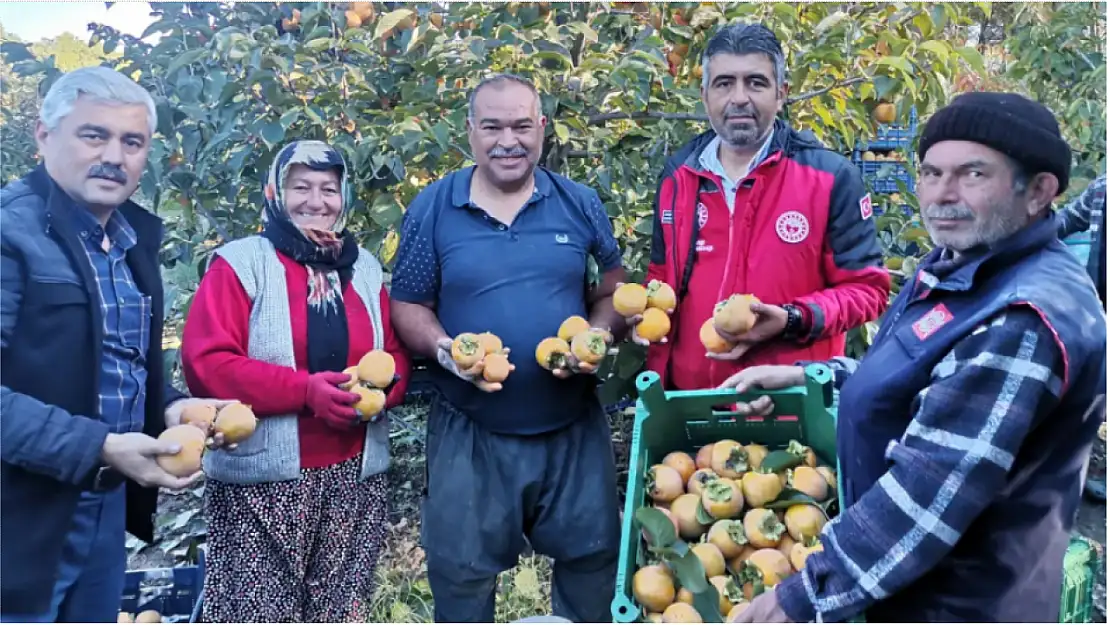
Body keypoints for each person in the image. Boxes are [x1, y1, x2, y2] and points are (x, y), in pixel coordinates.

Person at [724, 92, 1107, 623]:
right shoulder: (966, 265)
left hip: (961, 605)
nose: (942, 195)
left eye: (972, 174)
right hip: (906, 589)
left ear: (1038, 191)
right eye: (931, 173)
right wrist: (814, 376)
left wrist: (801, 597)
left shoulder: (1024, 318)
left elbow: (927, 490)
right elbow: (926, 378)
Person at [390, 73, 627, 623]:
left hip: (571, 425)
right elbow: (408, 305)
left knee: (593, 566)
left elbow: (615, 287)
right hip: (471, 430)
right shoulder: (435, 206)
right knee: (461, 574)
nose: (508, 140)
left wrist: (596, 335)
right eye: (492, 126)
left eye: (522, 125)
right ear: (469, 132)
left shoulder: (578, 203)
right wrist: (447, 351)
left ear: (542, 128)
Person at [0, 66, 230, 622]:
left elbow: (114, 363)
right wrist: (102, 446)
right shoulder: (11, 235)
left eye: (132, 142)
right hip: (19, 516)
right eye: (93, 135)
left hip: (101, 503)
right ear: (43, 135)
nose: (115, 156)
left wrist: (172, 405)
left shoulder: (128, 242)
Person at [180, 139, 411, 622]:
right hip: (262, 483)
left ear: (344, 197)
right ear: (274, 193)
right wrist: (305, 391)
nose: (315, 201)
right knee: (256, 612)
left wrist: (384, 392)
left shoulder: (364, 269)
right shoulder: (241, 264)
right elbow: (207, 363)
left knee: (340, 612)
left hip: (353, 478)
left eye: (329, 188)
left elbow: (393, 355)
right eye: (299, 186)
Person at [629, 22, 890, 390]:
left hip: (788, 402)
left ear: (781, 93)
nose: (739, 98)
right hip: (688, 401)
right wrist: (644, 311)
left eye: (755, 82)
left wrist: (791, 318)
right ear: (704, 95)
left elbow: (867, 291)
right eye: (724, 83)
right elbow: (661, 275)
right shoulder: (678, 175)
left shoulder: (830, 178)